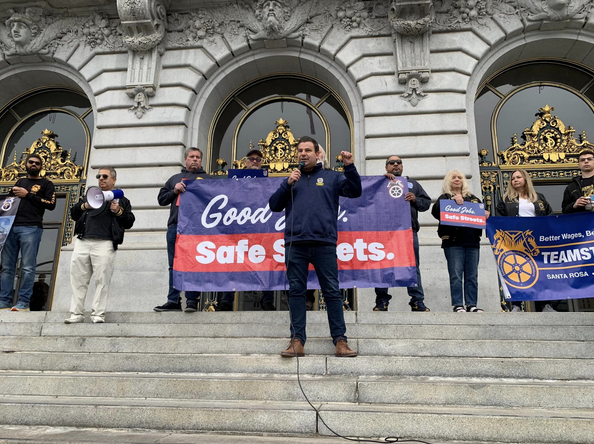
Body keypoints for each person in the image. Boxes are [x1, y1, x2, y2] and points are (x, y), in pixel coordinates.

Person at [269, 136, 362, 358]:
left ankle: (340, 341)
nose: (303, 153)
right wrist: (287, 183)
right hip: (295, 244)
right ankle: (297, 341)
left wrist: (349, 167)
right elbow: (274, 205)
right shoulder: (292, 179)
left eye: (307, 150)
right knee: (297, 292)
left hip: (324, 243)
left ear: (317, 154)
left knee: (331, 292)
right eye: (300, 150)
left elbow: (355, 191)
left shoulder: (331, 177)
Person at [65, 167, 135, 324]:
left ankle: (98, 314)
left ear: (114, 180)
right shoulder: (88, 197)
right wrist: (84, 206)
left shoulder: (122, 201)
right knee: (78, 280)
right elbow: (74, 214)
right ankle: (76, 313)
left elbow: (129, 221)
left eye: (105, 176)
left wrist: (118, 211)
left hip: (105, 243)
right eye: (98, 176)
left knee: (102, 280)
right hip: (83, 242)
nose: (101, 178)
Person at [218, 148, 276, 311]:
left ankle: (267, 300)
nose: (255, 161)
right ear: (245, 161)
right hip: (238, 229)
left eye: (258, 159)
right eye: (252, 159)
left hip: (261, 229)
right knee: (232, 263)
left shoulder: (269, 182)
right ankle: (226, 301)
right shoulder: (234, 182)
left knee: (265, 265)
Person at [374, 155, 431, 312]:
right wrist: (381, 181)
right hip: (385, 233)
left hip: (408, 232)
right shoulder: (380, 183)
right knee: (383, 265)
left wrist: (415, 200)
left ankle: (417, 301)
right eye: (391, 163)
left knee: (412, 266)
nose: (395, 165)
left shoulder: (412, 184)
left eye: (399, 162)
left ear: (402, 166)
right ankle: (381, 301)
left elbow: (426, 204)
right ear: (386, 167)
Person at [0, 154, 55, 311]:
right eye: (31, 162)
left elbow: (51, 204)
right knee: (7, 267)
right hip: (10, 227)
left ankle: (23, 302)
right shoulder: (20, 182)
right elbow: (9, 204)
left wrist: (28, 195)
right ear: (26, 164)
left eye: (37, 163)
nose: (33, 165)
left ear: (40, 166)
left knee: (28, 267)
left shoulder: (46, 183)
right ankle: (4, 300)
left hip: (31, 228)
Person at [154, 148, 207, 313]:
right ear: (185, 160)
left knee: (194, 264)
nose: (195, 159)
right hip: (175, 226)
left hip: (197, 228)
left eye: (198, 157)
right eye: (192, 157)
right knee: (174, 265)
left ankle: (192, 300)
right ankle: (173, 300)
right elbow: (161, 200)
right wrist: (174, 191)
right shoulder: (174, 179)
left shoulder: (208, 179)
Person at [496, 169, 556, 312]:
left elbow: (550, 217)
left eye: (518, 177)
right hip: (516, 243)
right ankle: (517, 305)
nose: (515, 180)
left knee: (541, 271)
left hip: (536, 240)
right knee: (517, 271)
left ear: (525, 179)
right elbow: (499, 220)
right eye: (512, 178)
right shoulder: (506, 200)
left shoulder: (539, 198)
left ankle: (545, 304)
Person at [431, 170, 488, 313]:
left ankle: (471, 304)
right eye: (453, 177)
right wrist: (452, 202)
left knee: (472, 276)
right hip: (453, 242)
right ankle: (458, 304)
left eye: (460, 177)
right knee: (456, 275)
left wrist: (486, 214)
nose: (457, 179)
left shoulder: (473, 199)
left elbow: (481, 214)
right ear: (448, 181)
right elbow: (436, 211)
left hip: (472, 241)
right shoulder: (444, 197)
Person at [562, 149, 594, 214]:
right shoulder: (571, 187)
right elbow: (564, 211)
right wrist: (574, 205)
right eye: (582, 160)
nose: (586, 161)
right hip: (581, 222)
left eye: (589, 159)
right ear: (578, 165)